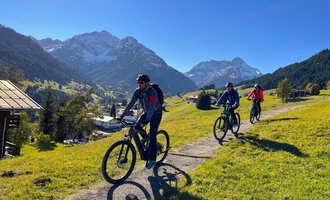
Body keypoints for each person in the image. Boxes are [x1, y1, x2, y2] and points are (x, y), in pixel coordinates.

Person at [120, 74, 162, 169]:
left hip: (156, 114)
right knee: (137, 127)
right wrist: (122, 115)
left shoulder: (152, 92)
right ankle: (147, 139)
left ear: (147, 83)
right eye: (138, 82)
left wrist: (147, 120)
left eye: (141, 82)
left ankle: (152, 159)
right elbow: (131, 103)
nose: (139, 84)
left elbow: (151, 106)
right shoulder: (138, 91)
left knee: (152, 136)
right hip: (146, 113)